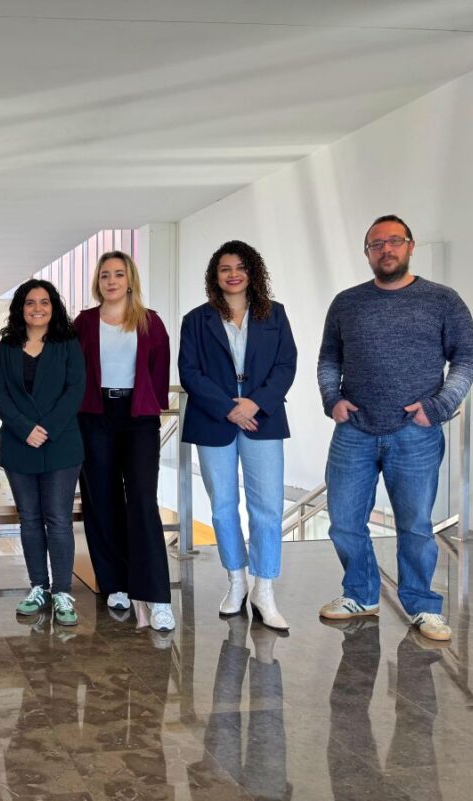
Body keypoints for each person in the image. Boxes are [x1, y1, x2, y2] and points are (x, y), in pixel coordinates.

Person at [317, 214, 473, 642]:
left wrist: (438, 407)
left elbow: (467, 359)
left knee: (416, 526)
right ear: (367, 253)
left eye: (394, 241)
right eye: (377, 244)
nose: (385, 249)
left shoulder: (442, 300)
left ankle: (423, 606)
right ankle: (360, 594)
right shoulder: (347, 302)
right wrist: (332, 399)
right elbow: (329, 358)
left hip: (415, 432)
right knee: (344, 521)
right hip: (354, 429)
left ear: (410, 246)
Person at [178, 241, 296, 631]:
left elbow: (286, 365)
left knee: (267, 507)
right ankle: (236, 581)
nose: (233, 274)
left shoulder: (274, 314)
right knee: (223, 506)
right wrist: (228, 407)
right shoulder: (197, 320)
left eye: (240, 267)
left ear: (252, 272)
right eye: (225, 268)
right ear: (215, 275)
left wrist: (254, 403)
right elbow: (189, 372)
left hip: (263, 418)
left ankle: (265, 589)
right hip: (214, 419)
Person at [74, 251, 176, 632]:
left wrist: (151, 406)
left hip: (138, 419)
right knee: (102, 500)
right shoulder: (84, 322)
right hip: (94, 416)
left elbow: (159, 371)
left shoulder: (150, 322)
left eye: (118, 274)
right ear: (97, 282)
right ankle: (115, 582)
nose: (112, 281)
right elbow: (75, 369)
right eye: (105, 275)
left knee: (143, 502)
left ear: (130, 279)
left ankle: (157, 597)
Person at [0, 279, 85, 626]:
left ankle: (62, 592)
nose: (37, 308)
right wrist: (24, 428)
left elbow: (76, 388)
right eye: (30, 302)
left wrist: (46, 428)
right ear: (21, 308)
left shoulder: (68, 343)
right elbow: (0, 392)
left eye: (44, 302)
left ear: (53, 307)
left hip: (61, 443)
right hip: (20, 444)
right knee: (29, 519)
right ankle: (38, 587)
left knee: (58, 519)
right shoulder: (6, 347)